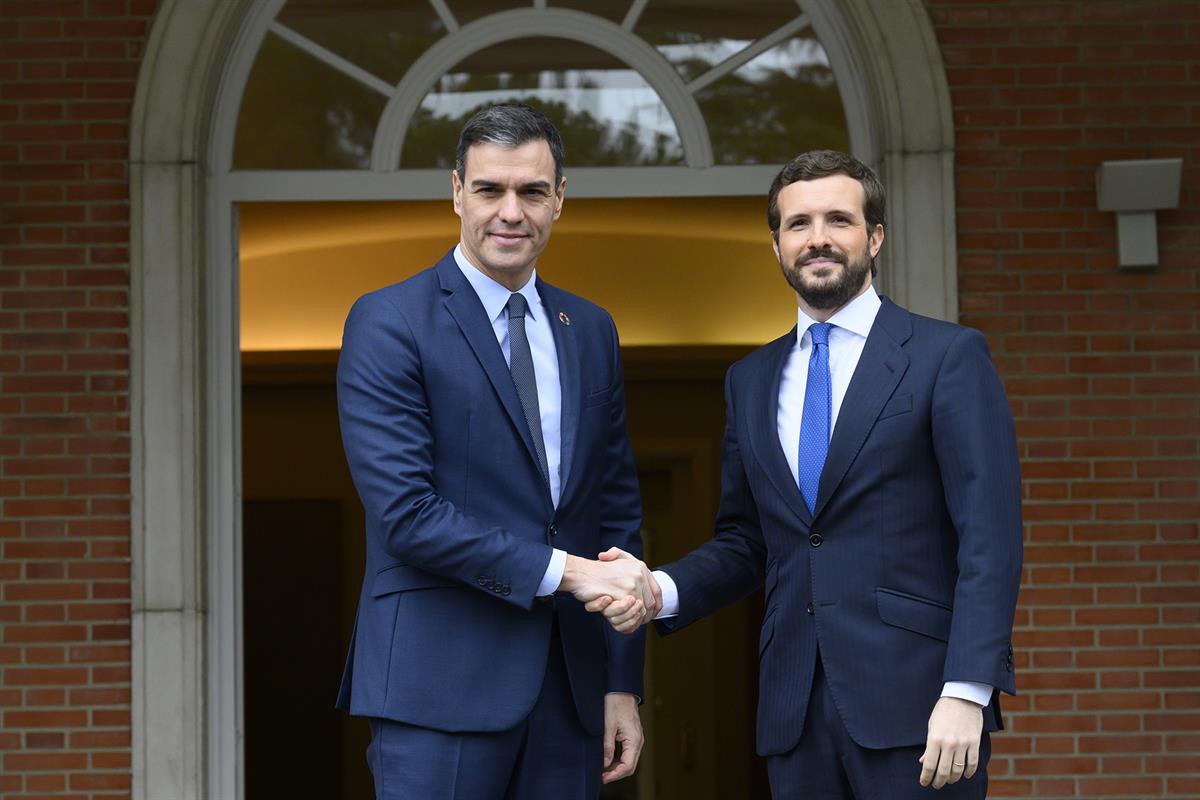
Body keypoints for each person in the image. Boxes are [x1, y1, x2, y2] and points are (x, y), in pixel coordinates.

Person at [596, 150, 1022, 798]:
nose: (817, 238)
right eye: (798, 224)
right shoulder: (751, 380)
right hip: (794, 714)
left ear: (874, 236)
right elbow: (746, 541)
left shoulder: (946, 357)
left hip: (922, 711)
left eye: (837, 220)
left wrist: (967, 689)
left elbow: (990, 537)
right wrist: (659, 588)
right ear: (776, 244)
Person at [335, 103, 661, 800]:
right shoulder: (389, 320)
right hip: (436, 686)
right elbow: (406, 513)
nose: (510, 212)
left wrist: (619, 682)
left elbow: (616, 516)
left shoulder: (591, 329)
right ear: (457, 191)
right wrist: (567, 572)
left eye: (532, 192)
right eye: (490, 190)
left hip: (570, 694)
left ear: (560, 199)